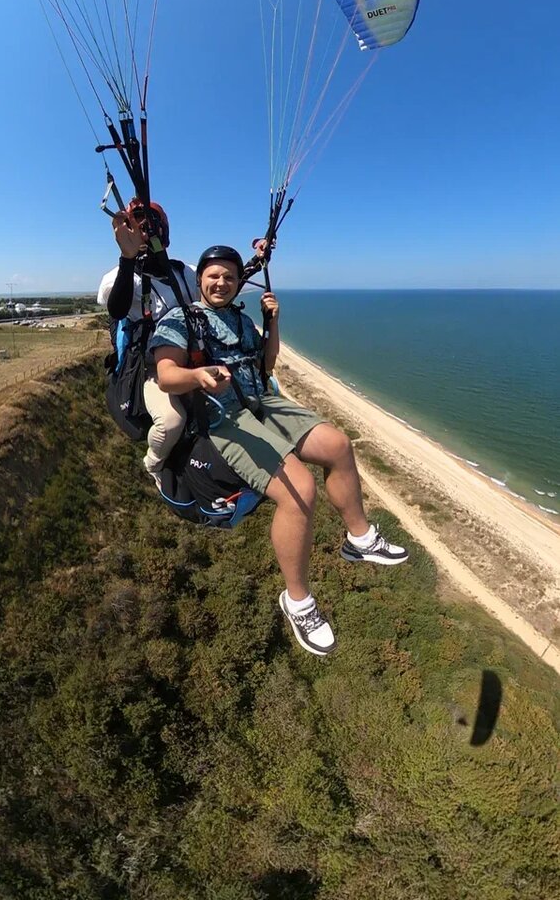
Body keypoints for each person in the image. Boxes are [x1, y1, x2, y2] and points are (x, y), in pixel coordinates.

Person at [150, 245, 408, 658]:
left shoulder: (240, 319)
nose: (222, 283)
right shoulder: (183, 319)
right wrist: (198, 375)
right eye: (214, 276)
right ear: (199, 279)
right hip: (223, 417)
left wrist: (273, 322)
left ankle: (358, 538)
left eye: (230, 278)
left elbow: (267, 364)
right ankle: (298, 600)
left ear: (239, 284)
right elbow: (166, 375)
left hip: (261, 402)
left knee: (339, 445)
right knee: (300, 490)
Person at [97, 199, 197, 484]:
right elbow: (117, 308)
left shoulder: (185, 273)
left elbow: (220, 286)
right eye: (138, 224)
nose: (144, 231)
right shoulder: (120, 277)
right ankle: (154, 465)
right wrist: (128, 259)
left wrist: (256, 261)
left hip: (188, 361)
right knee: (171, 422)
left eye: (149, 225)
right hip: (150, 368)